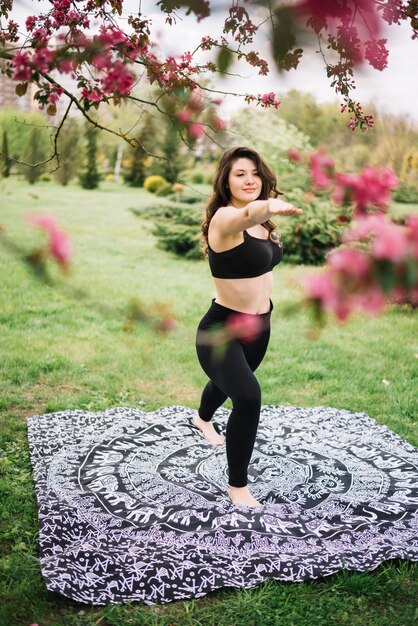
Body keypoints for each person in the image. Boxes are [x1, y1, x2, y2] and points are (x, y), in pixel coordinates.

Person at [194, 146, 303, 507]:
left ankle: (202, 418)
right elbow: (247, 215)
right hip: (220, 330)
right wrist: (267, 205)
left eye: (255, 173)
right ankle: (237, 486)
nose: (249, 179)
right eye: (240, 173)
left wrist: (265, 213)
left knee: (226, 384)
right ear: (226, 180)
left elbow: (262, 260)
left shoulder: (261, 224)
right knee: (248, 395)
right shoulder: (225, 218)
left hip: (259, 327)